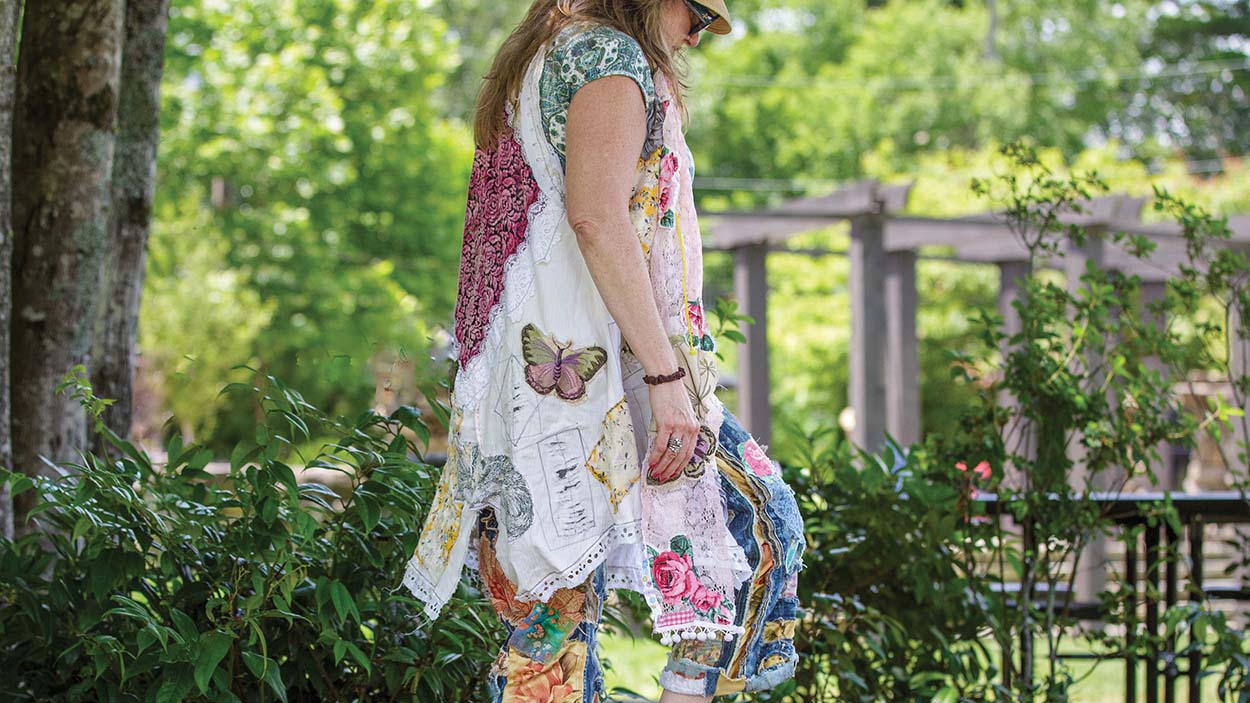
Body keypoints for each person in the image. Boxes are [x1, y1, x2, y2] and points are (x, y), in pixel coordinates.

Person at [401, 1, 807, 700]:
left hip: (537, 373)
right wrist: (667, 378)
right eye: (698, 13)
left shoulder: (547, 52)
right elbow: (596, 217)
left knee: (553, 626)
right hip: (580, 375)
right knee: (759, 523)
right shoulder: (605, 58)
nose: (698, 36)